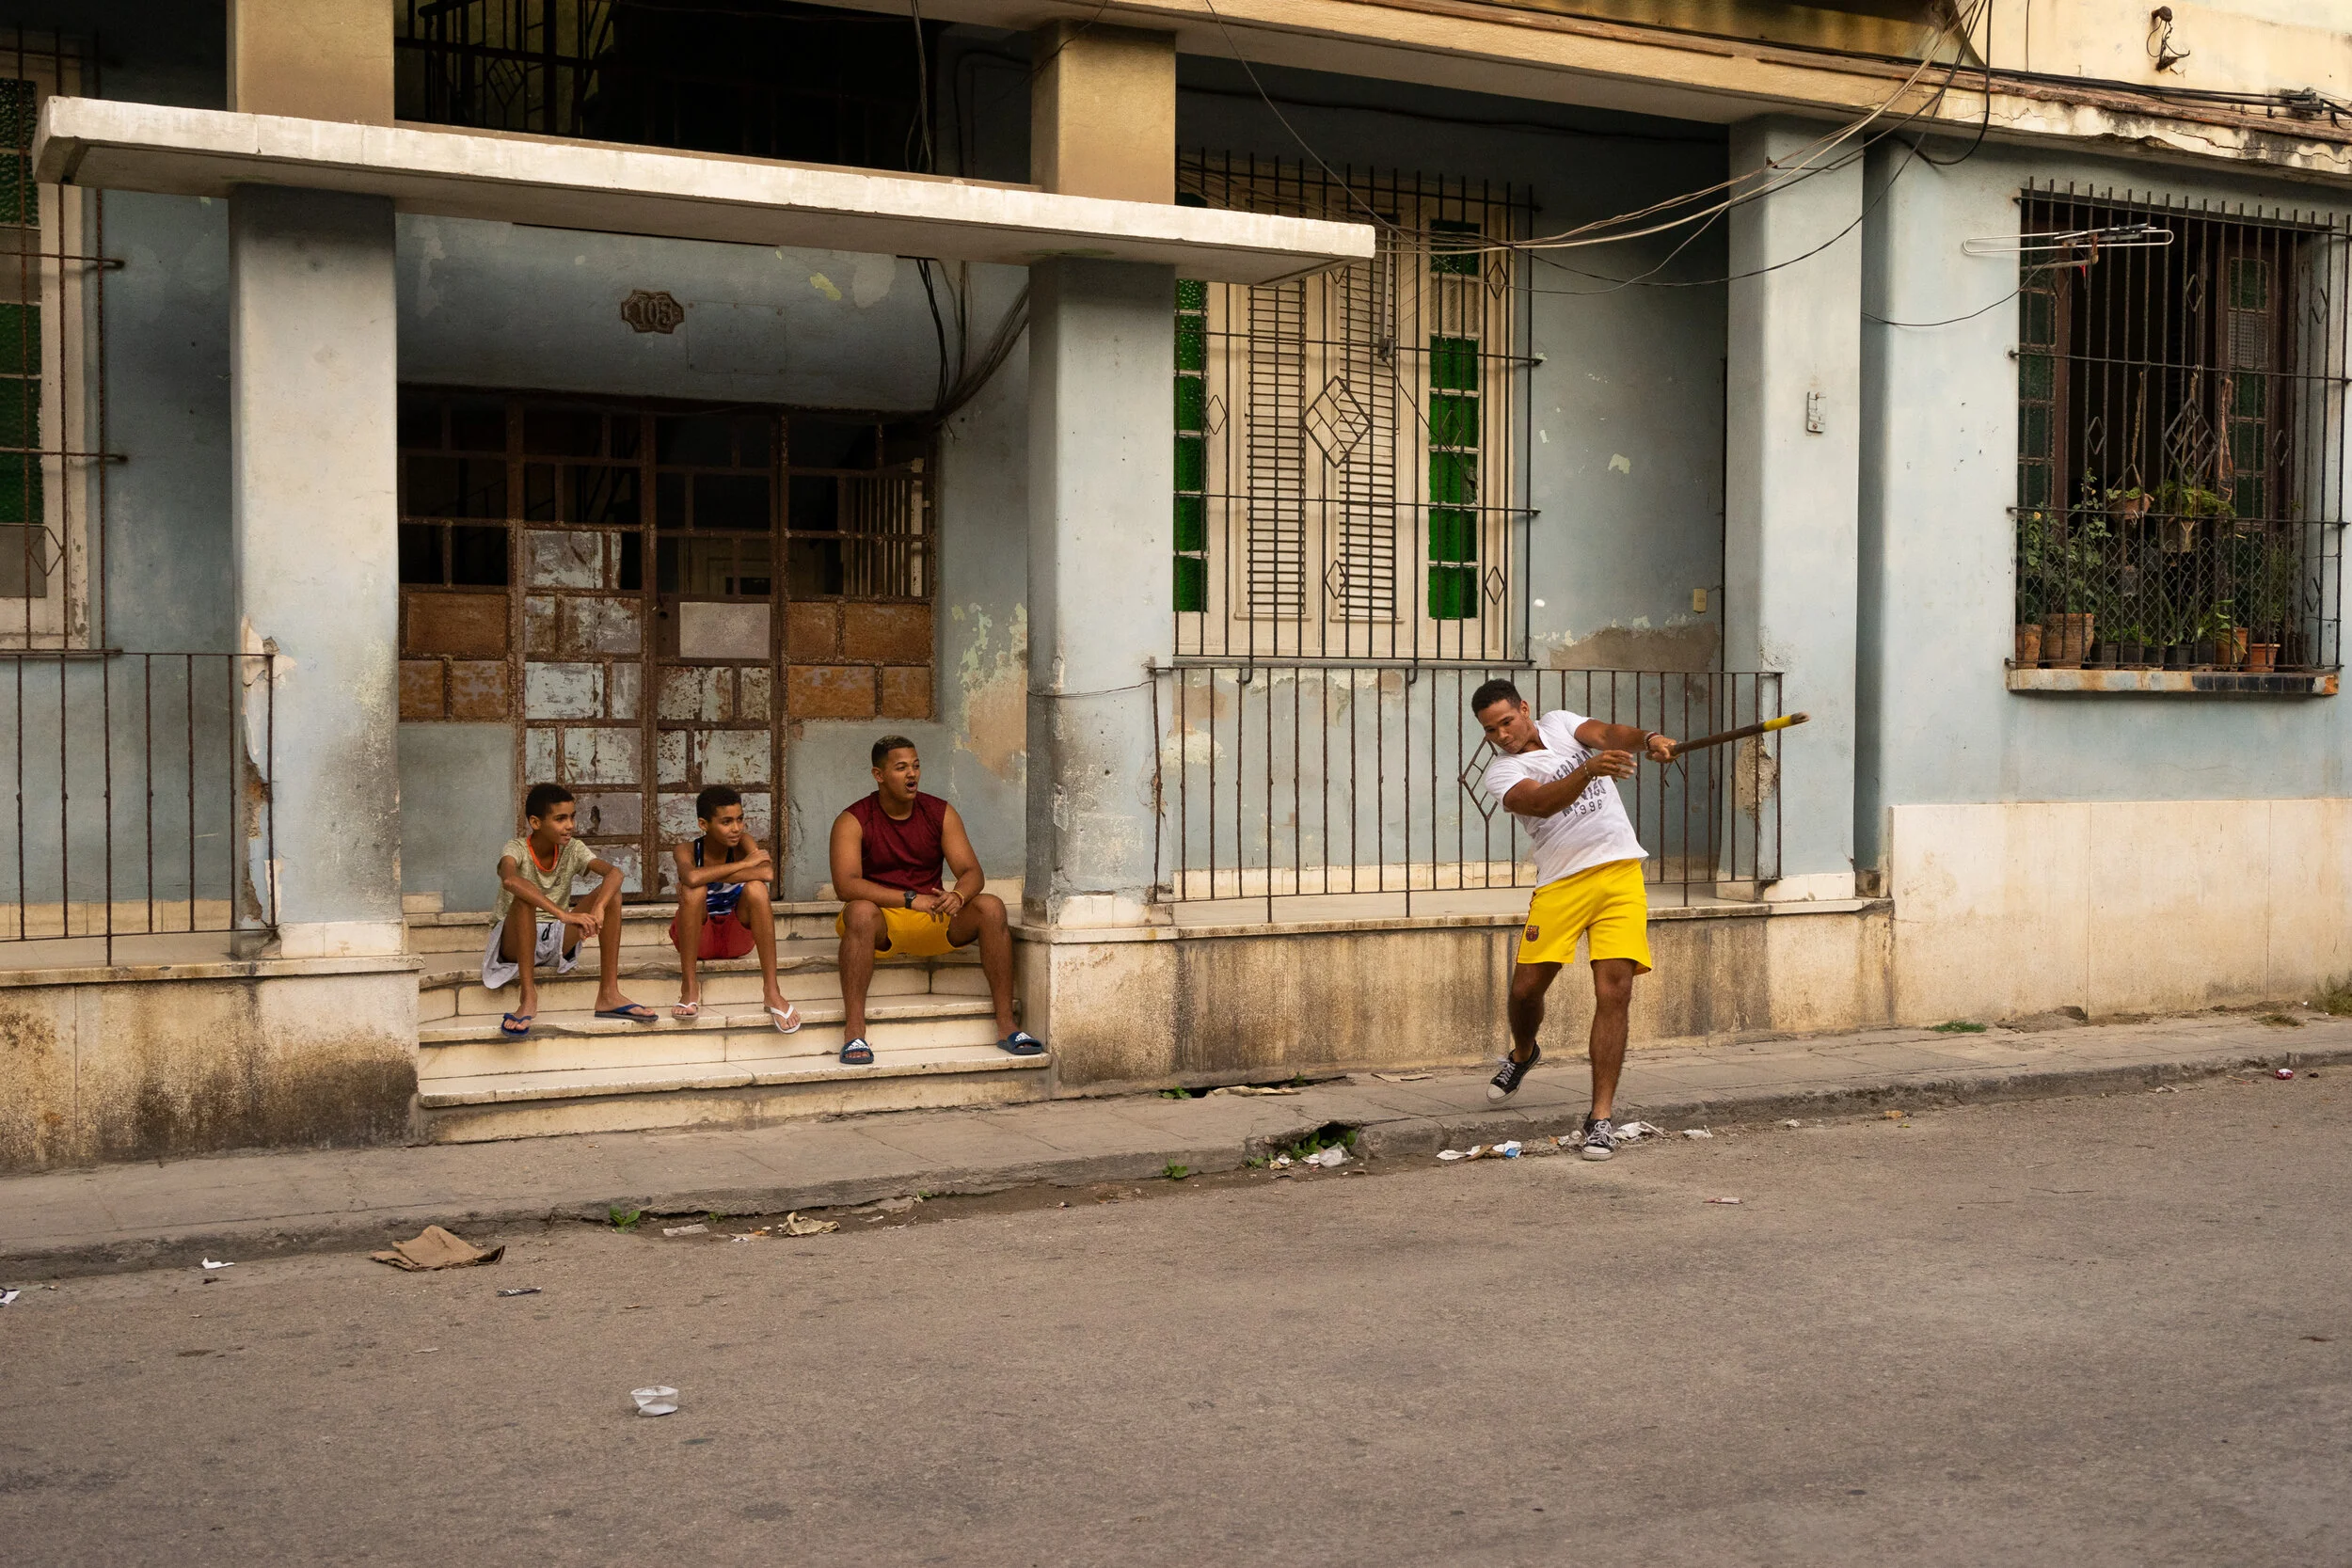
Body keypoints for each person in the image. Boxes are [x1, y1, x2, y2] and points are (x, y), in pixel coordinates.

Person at [1471, 680, 1677, 1160]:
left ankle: (1600, 1118)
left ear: (1525, 709)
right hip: (1562, 884)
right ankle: (1524, 1054)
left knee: (1614, 991)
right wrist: (1588, 770)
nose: (1501, 735)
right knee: (1525, 991)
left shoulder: (1562, 723)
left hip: (1620, 873)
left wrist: (1648, 740)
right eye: (1490, 730)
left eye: (1506, 721)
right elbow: (1540, 803)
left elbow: (1608, 733)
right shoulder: (1502, 774)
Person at [827, 735, 1040, 1067]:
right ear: (879, 775)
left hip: (934, 918)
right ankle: (854, 1031)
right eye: (901, 768)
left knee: (991, 906)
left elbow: (971, 871)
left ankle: (1007, 1026)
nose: (912, 774)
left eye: (915, 766)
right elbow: (846, 885)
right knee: (859, 912)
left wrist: (958, 895)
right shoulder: (853, 819)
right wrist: (910, 899)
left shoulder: (939, 812)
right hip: (883, 921)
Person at [483, 782, 656, 1036]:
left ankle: (608, 993)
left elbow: (615, 873)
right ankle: (528, 997)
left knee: (613, 895)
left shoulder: (572, 848)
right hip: (514, 942)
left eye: (572, 817)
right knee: (523, 899)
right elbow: (510, 880)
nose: (570, 825)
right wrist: (563, 914)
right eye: (560, 818)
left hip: (555, 937)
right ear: (536, 822)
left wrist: (598, 908)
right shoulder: (516, 848)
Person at [668, 784, 801, 1034]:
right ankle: (689, 988)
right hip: (698, 939)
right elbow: (692, 879)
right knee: (692, 891)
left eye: (740, 819)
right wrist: (744, 866)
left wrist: (708, 875)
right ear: (704, 824)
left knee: (757, 888)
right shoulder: (685, 850)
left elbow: (766, 872)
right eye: (726, 822)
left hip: (736, 938)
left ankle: (772, 992)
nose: (736, 828)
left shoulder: (743, 844)